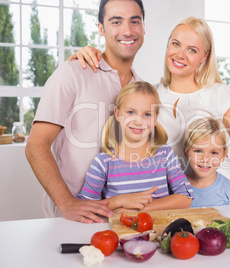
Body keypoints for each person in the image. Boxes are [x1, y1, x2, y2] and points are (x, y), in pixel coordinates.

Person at [70, 17, 230, 217]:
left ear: (204, 58)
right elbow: (121, 95)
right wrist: (88, 58)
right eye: (176, 44)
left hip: (217, 196)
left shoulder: (218, 94)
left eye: (192, 49)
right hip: (172, 202)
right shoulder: (151, 94)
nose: (180, 54)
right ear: (168, 45)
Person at [25, 0, 147, 224]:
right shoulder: (72, 73)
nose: (127, 30)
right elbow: (36, 145)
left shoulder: (143, 90)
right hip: (72, 218)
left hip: (123, 219)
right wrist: (68, 203)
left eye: (134, 21)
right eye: (116, 21)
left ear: (143, 27)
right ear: (101, 28)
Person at [77, 81, 193, 213]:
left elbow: (186, 197)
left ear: (155, 118)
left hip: (160, 232)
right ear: (117, 113)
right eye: (131, 112)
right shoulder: (103, 163)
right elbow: (85, 207)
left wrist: (140, 210)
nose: (138, 121)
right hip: (118, 232)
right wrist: (120, 200)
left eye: (147, 114)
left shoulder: (165, 155)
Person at [183, 117, 230, 208]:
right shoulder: (176, 188)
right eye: (198, 151)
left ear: (224, 155)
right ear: (186, 152)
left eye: (214, 153)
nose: (205, 159)